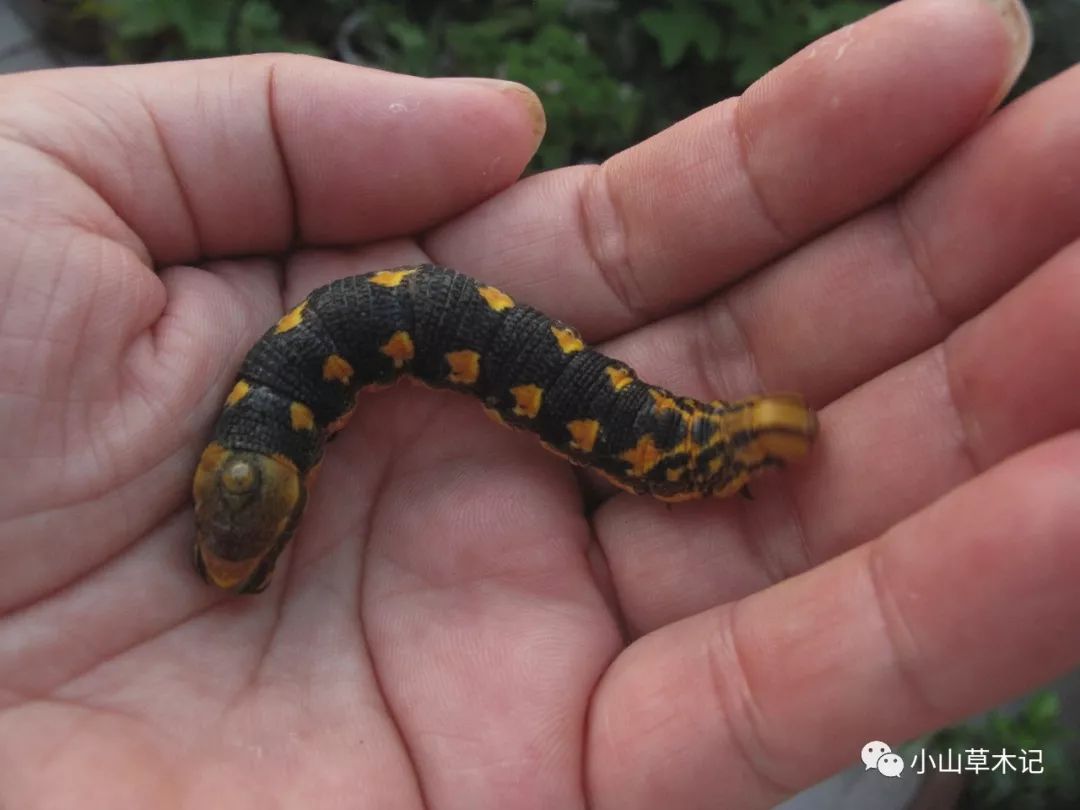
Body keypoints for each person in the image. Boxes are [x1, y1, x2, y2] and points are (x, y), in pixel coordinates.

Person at [0, 0, 1074, 806]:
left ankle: (697, 454)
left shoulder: (305, 385)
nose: (236, 558)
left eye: (244, 547)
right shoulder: (296, 392)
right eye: (244, 551)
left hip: (585, 423)